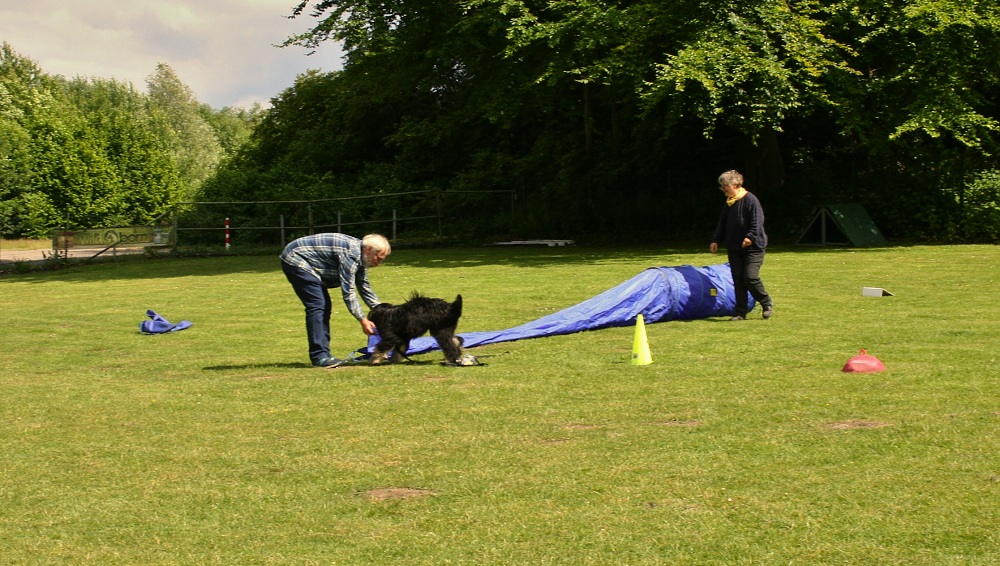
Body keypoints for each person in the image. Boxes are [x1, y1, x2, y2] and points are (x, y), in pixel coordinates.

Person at [280, 233, 391, 367]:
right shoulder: (350, 255)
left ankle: (323, 355)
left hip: (307, 261)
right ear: (368, 250)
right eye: (378, 258)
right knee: (318, 305)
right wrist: (363, 320)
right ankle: (320, 357)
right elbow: (348, 292)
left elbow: (364, 286)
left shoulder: (361, 255)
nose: (378, 263)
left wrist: (384, 312)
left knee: (323, 305)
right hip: (296, 259)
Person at [709, 170, 774, 320]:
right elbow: (722, 223)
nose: (723, 189)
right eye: (722, 186)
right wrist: (715, 240)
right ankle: (740, 312)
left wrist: (750, 237)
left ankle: (766, 302)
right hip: (734, 247)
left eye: (725, 185)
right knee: (737, 279)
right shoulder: (729, 203)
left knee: (750, 277)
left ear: (736, 185)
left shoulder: (750, 200)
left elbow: (757, 221)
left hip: (753, 247)